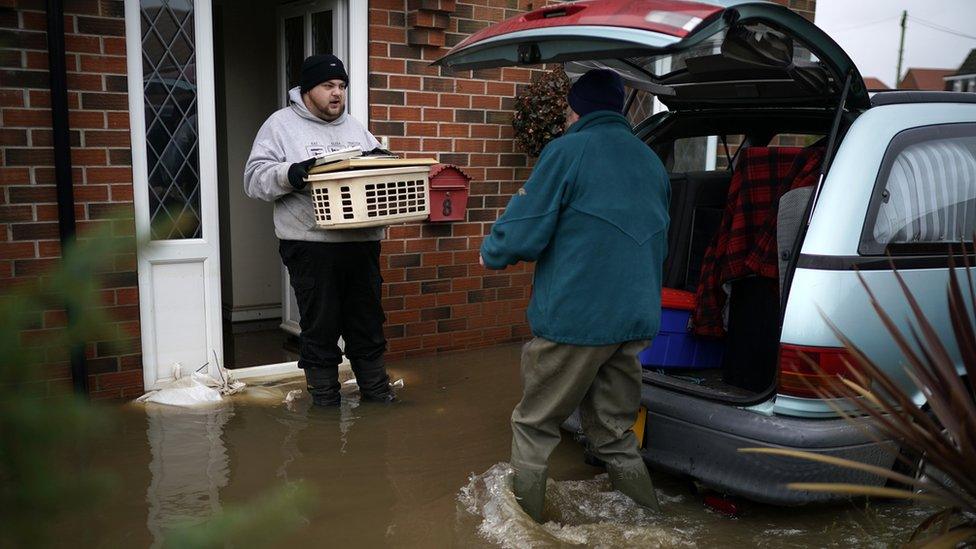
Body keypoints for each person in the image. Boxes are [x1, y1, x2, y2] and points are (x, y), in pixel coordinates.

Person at [479, 69, 670, 522]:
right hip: (634, 322)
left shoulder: (567, 151)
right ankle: (650, 521)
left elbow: (526, 228)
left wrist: (492, 252)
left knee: (533, 425)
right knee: (614, 433)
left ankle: (527, 530)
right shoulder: (651, 161)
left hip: (577, 321)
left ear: (574, 109)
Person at [244, 54, 394, 406]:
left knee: (367, 323)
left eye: (341, 86)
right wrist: (290, 173)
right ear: (308, 89)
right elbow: (253, 181)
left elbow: (378, 171)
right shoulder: (280, 126)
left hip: (361, 241)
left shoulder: (355, 127)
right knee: (321, 326)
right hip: (311, 243)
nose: (337, 93)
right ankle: (325, 404)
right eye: (328, 86)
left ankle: (377, 395)